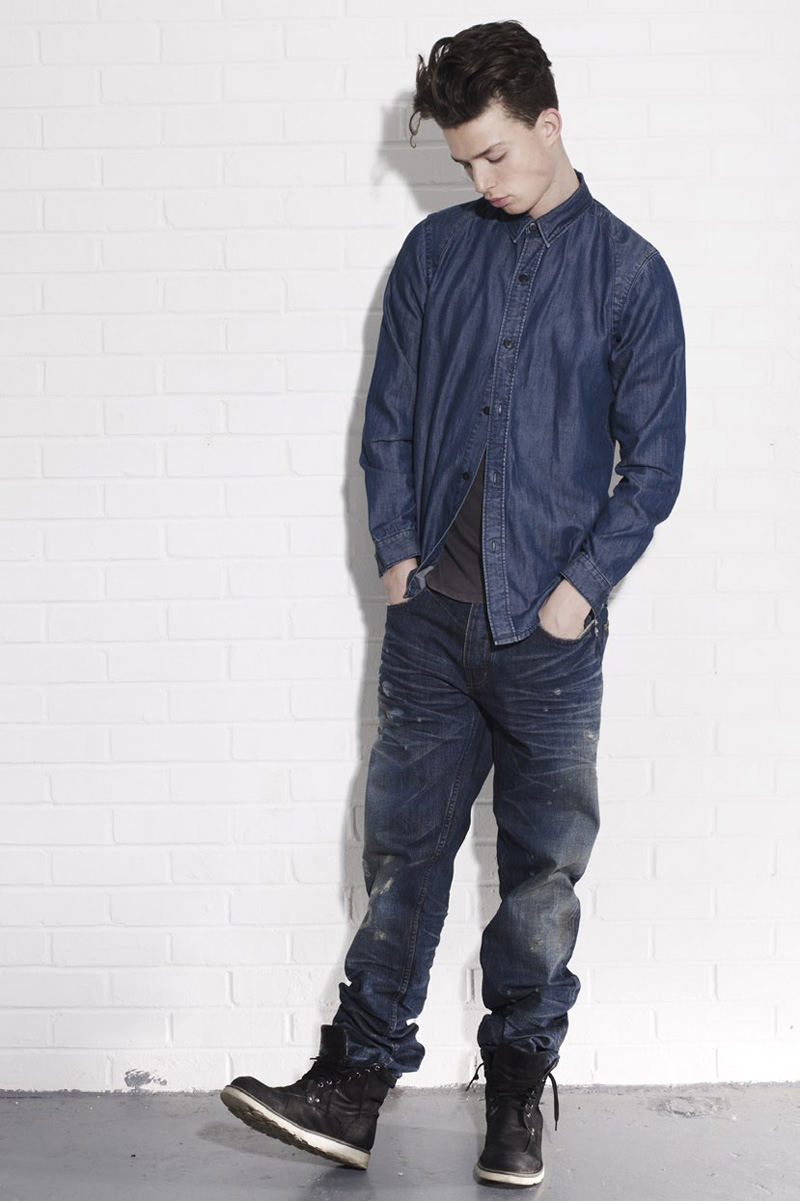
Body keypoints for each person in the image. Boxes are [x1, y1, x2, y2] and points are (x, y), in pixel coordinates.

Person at [221, 19, 686, 1189]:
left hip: (547, 639)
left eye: (494, 155)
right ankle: (351, 1087)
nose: (480, 179)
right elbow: (384, 421)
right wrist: (396, 558)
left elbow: (654, 465)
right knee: (402, 856)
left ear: (549, 123)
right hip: (430, 624)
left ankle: (515, 1097)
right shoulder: (431, 256)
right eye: (463, 160)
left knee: (539, 877)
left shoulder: (629, 274)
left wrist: (576, 592)